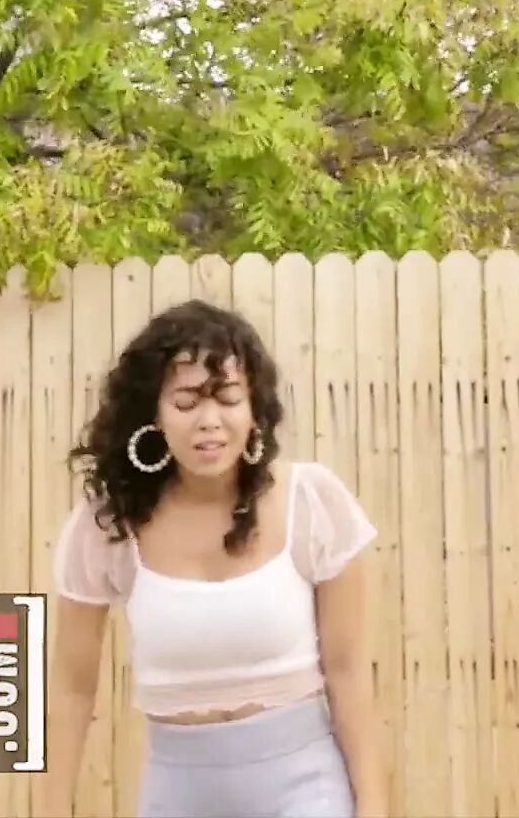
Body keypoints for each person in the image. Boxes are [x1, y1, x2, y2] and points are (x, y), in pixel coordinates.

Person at [42, 299, 384, 818]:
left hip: (305, 788)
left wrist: (374, 805)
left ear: (254, 407)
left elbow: (349, 670)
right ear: (153, 415)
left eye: (228, 398)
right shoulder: (108, 526)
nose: (210, 422)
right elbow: (71, 688)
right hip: (177, 792)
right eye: (186, 403)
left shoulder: (311, 501)